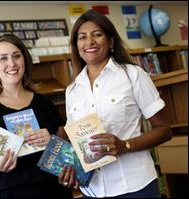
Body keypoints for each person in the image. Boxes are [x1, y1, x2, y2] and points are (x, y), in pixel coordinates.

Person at [58, 9, 172, 198]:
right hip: (92, 190)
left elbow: (164, 130)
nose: (89, 42)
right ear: (76, 45)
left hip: (135, 187)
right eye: (82, 37)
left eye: (97, 34)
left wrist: (125, 145)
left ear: (110, 41)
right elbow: (77, 143)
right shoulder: (72, 90)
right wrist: (69, 167)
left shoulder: (133, 75)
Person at [0, 34, 73, 198]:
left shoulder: (44, 103)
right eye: (3, 58)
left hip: (52, 190)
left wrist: (52, 141)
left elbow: (66, 149)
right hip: (7, 192)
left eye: (16, 56)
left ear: (25, 61)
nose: (11, 63)